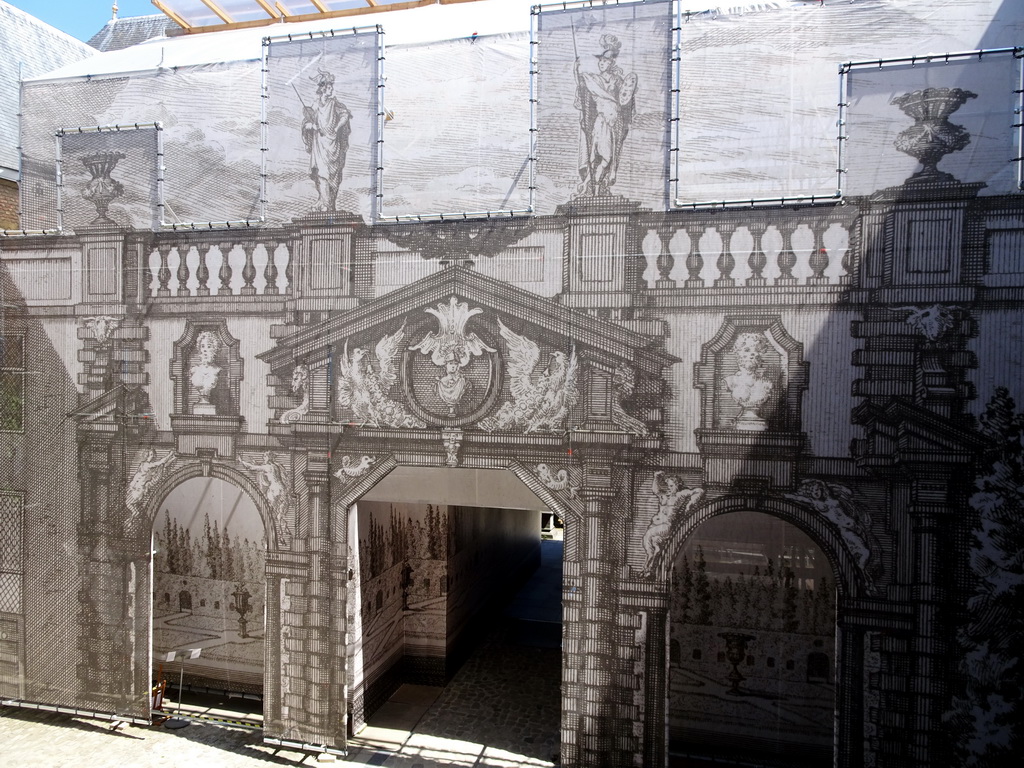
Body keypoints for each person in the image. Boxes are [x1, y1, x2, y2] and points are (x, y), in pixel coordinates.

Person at [574, 33, 637, 196]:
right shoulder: (593, 80)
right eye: (600, 61)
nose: (601, 64)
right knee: (596, 155)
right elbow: (582, 85)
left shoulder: (618, 81)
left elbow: (626, 99)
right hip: (601, 121)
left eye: (605, 61)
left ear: (611, 63)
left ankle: (597, 186)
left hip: (614, 122)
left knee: (610, 158)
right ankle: (591, 186)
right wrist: (576, 70)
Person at [302, 70, 352, 212]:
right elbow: (306, 122)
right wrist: (312, 125)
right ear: (323, 89)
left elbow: (345, 116)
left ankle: (329, 203)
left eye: (331, 87)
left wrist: (336, 128)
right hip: (319, 143)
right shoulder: (316, 104)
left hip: (332, 143)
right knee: (320, 173)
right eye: (329, 87)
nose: (331, 90)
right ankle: (322, 201)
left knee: (333, 174)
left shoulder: (334, 103)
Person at [642, 471, 703, 576]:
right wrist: (656, 477)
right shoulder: (665, 496)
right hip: (657, 526)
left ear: (677, 485)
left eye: (671, 485)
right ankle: (650, 569)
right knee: (655, 544)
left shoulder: (680, 494)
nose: (669, 487)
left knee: (647, 536)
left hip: (666, 526)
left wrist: (690, 504)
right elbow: (655, 490)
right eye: (668, 485)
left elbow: (699, 491)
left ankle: (649, 560)